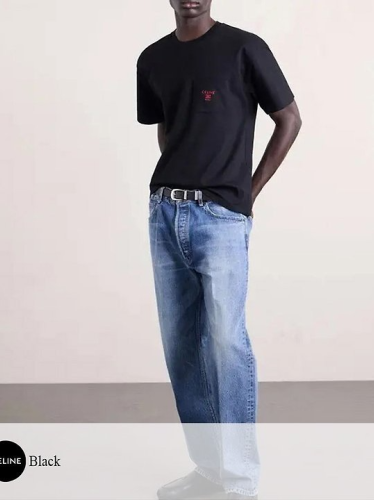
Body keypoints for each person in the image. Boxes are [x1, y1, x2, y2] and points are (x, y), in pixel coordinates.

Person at [136, 1, 302, 498]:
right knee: (182, 347)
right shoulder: (152, 58)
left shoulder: (244, 48)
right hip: (165, 213)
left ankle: (240, 480)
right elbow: (168, 127)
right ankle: (210, 470)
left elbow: (289, 119)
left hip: (222, 217)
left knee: (227, 342)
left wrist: (248, 193)